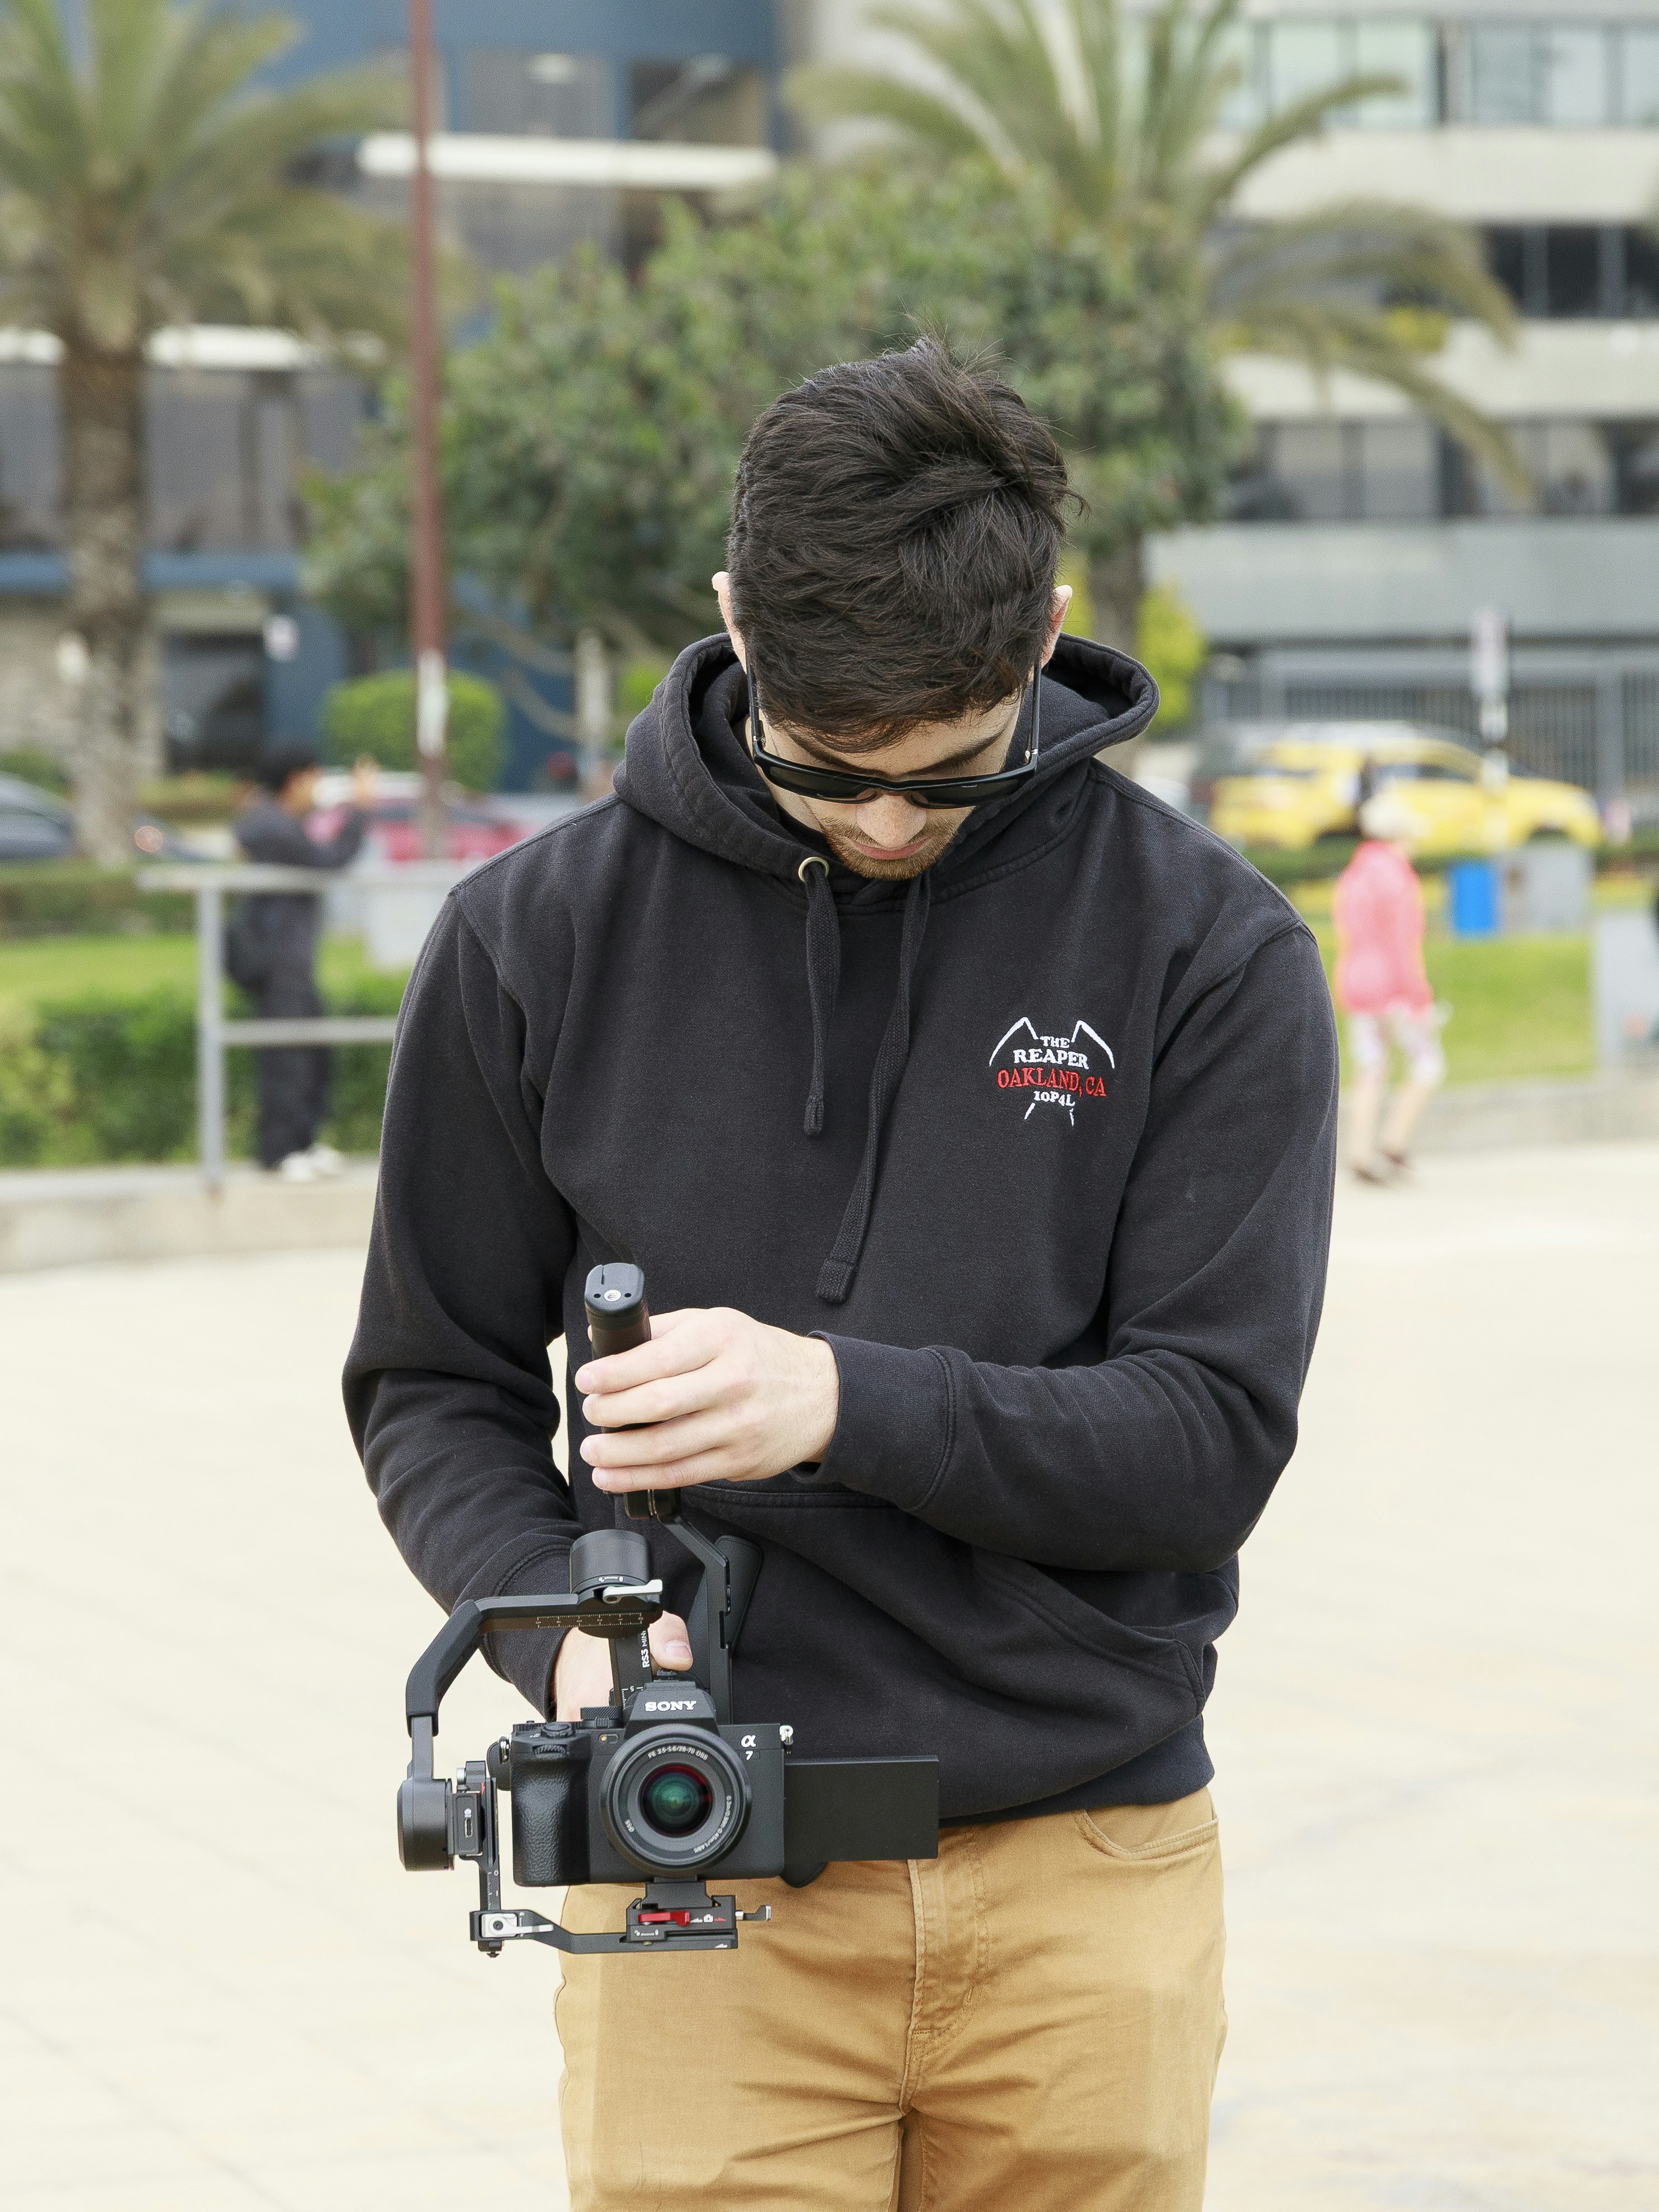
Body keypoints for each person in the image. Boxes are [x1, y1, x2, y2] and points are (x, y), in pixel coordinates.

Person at [345, 343, 1338, 2211]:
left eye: (946, 774)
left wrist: (835, 1395)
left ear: (1045, 629)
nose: (884, 823)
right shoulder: (528, 941)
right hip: (692, 1882)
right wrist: (554, 1624)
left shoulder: (1207, 950)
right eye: (826, 769)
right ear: (732, 619)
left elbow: (1207, 1438)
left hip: (1086, 1866)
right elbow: (429, 1379)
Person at [231, 744, 377, 1180]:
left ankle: (303, 1142)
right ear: (295, 780)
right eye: (314, 777)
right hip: (276, 959)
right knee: (287, 1055)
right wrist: (361, 810)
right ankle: (279, 1152)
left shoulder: (277, 822)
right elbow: (327, 861)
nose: (319, 787)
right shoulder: (270, 826)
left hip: (292, 957)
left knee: (312, 1052)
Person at [1333, 772, 1447, 1183]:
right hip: (1394, 987)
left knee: (1371, 1068)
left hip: (1357, 984)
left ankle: (1359, 1152)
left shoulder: (1354, 875)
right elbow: (1404, 944)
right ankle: (1393, 1143)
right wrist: (1420, 996)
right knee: (1427, 1063)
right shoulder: (1399, 879)